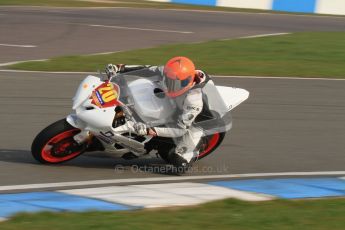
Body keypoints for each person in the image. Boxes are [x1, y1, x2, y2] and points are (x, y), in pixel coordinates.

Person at [106, 57, 208, 169]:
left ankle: (196, 147)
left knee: (179, 163)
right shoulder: (171, 71)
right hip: (173, 106)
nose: (169, 85)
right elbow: (147, 69)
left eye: (173, 83)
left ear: (185, 82)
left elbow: (180, 129)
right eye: (168, 80)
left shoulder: (194, 100)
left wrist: (151, 130)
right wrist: (121, 68)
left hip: (191, 123)